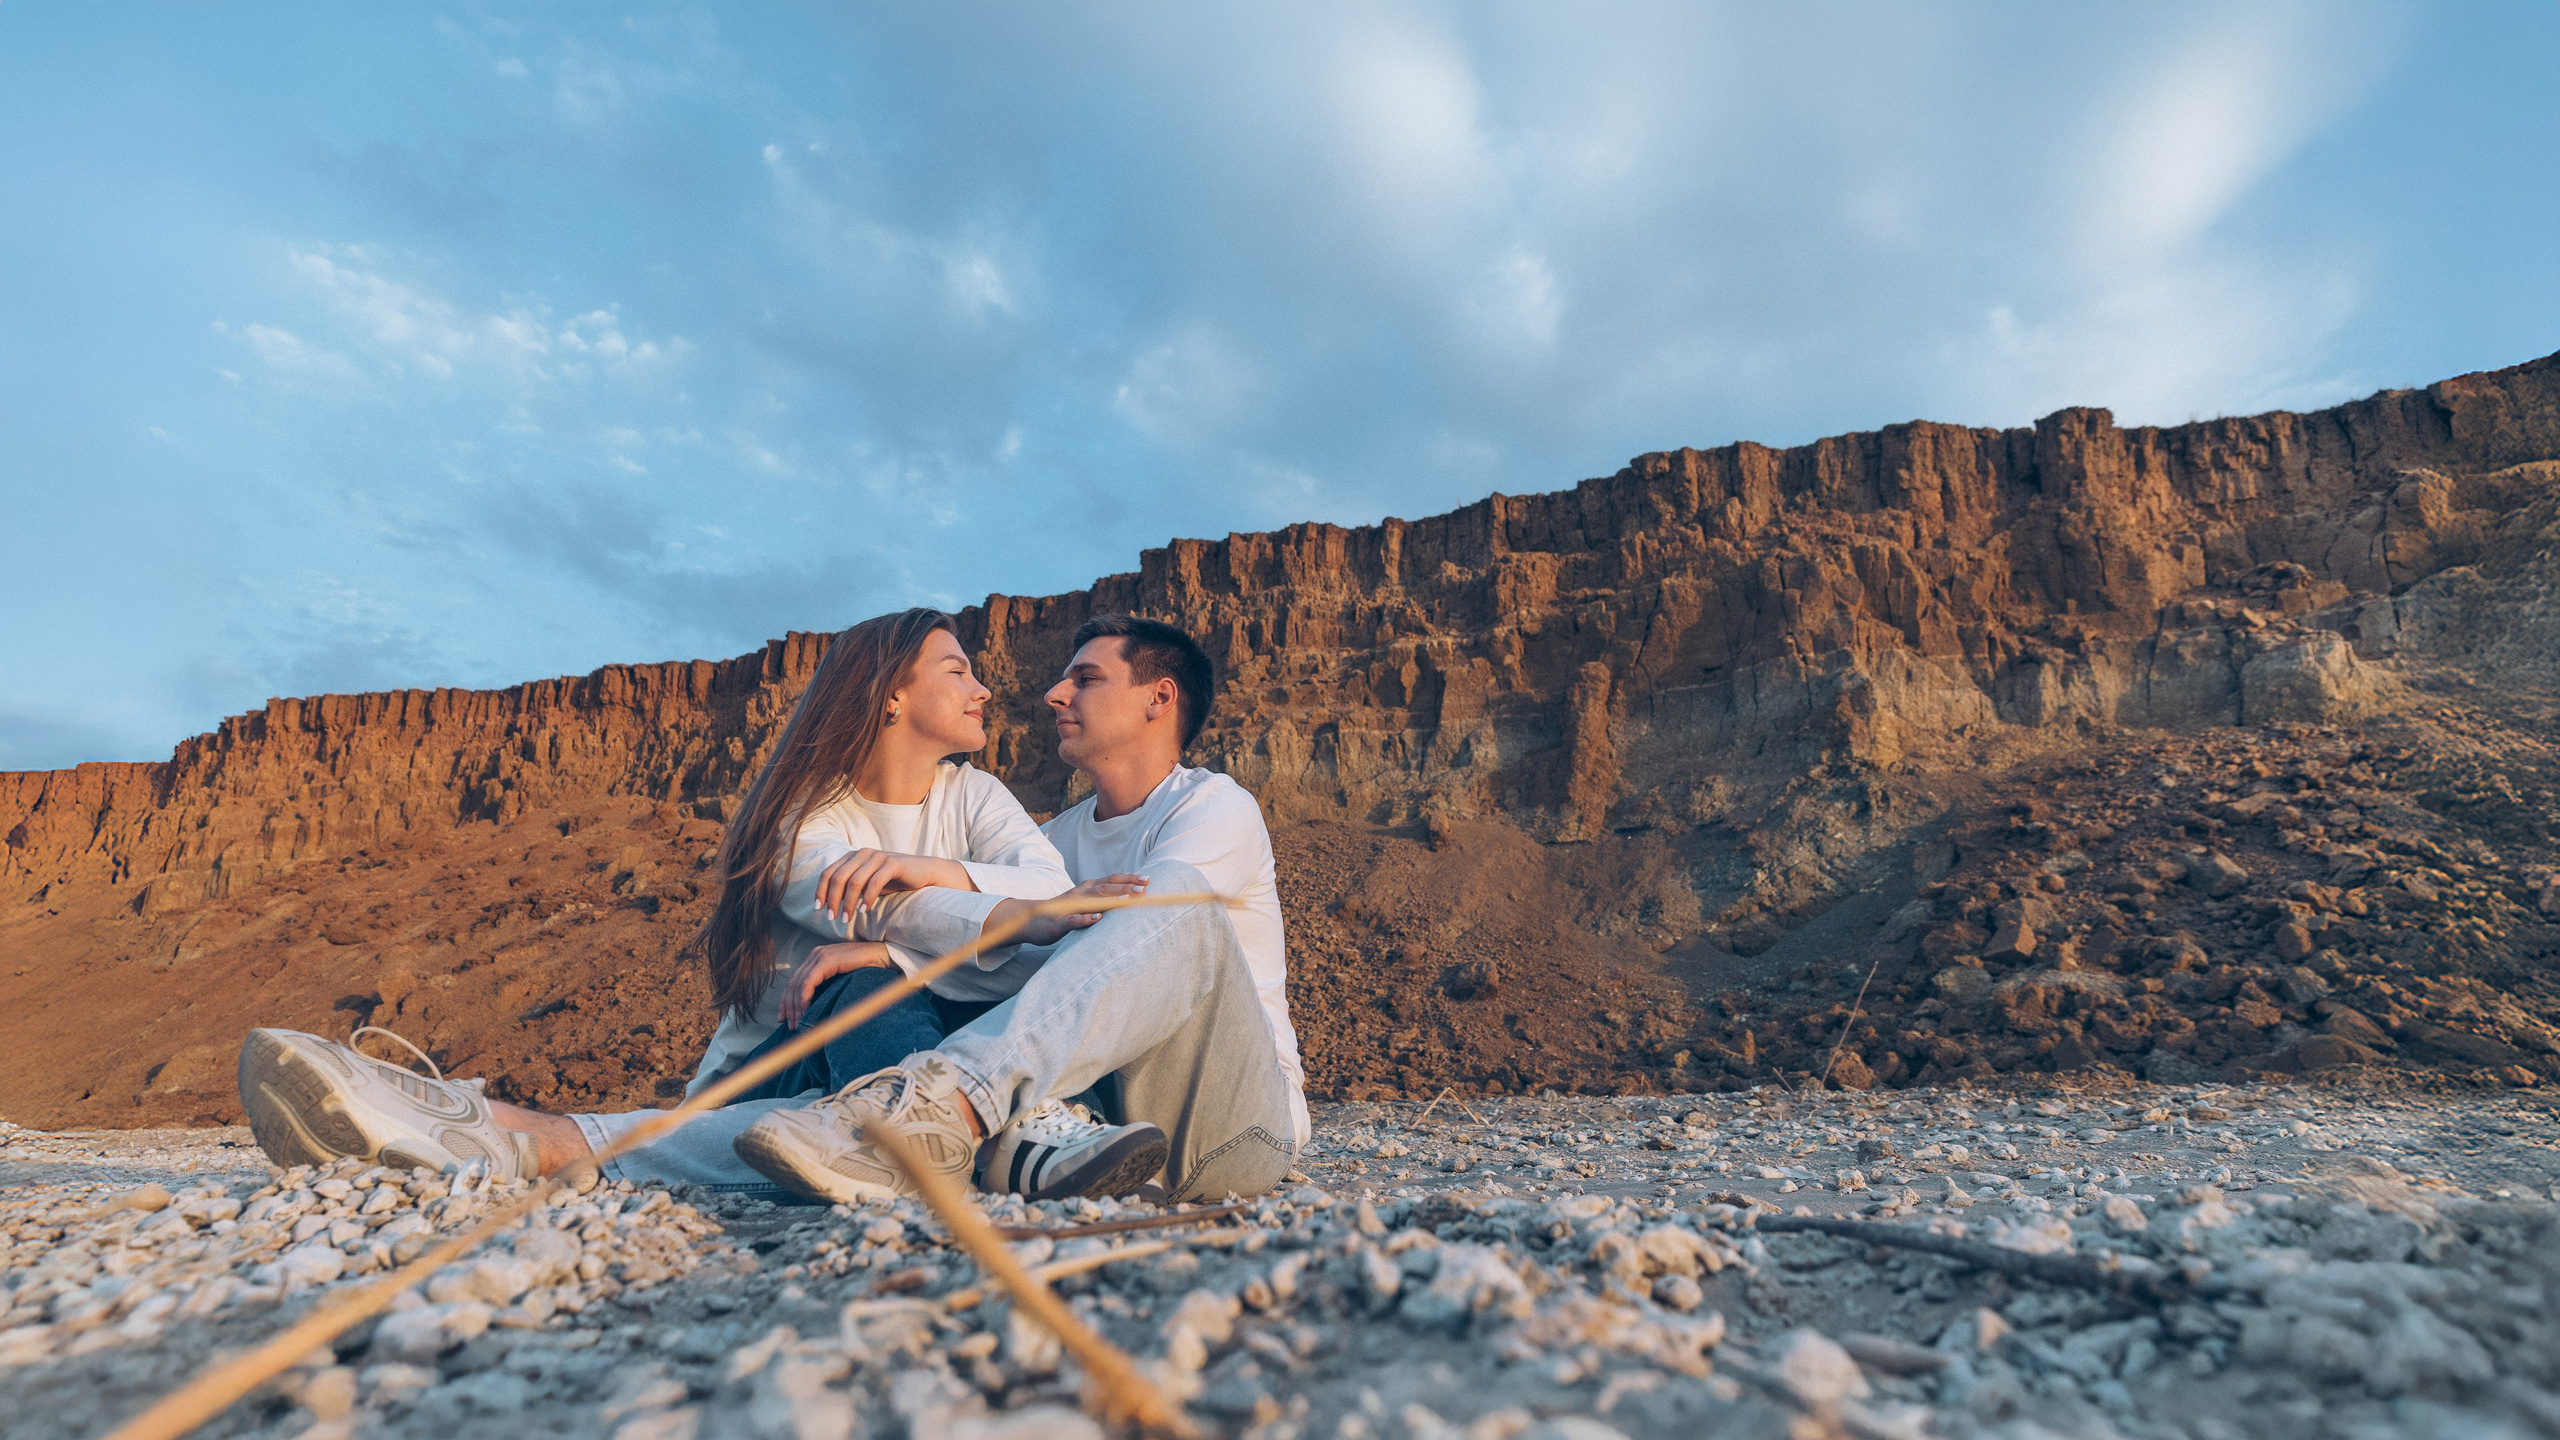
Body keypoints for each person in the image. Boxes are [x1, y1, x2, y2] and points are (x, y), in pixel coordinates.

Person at [235, 607, 1168, 1202]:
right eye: (957, 669)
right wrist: (921, 938)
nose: (985, 685)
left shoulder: (977, 798)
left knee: (929, 980)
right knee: (865, 992)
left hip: (876, 1072)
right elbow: (892, 910)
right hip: (777, 1071)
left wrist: (941, 882)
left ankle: (501, 1133)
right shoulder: (802, 818)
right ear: (891, 694)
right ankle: (1003, 1147)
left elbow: (1053, 898)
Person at [733, 614, 1305, 1205]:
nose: (1055, 694)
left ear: (1158, 699)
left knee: (1174, 896)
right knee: (888, 994)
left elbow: (1126, 948)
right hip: (1103, 1122)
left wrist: (901, 947)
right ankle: (937, 1139)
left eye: (1086, 679)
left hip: (1227, 1125)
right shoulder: (1055, 841)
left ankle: (947, 1108)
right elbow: (1046, 955)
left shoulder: (1215, 808)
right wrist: (902, 958)